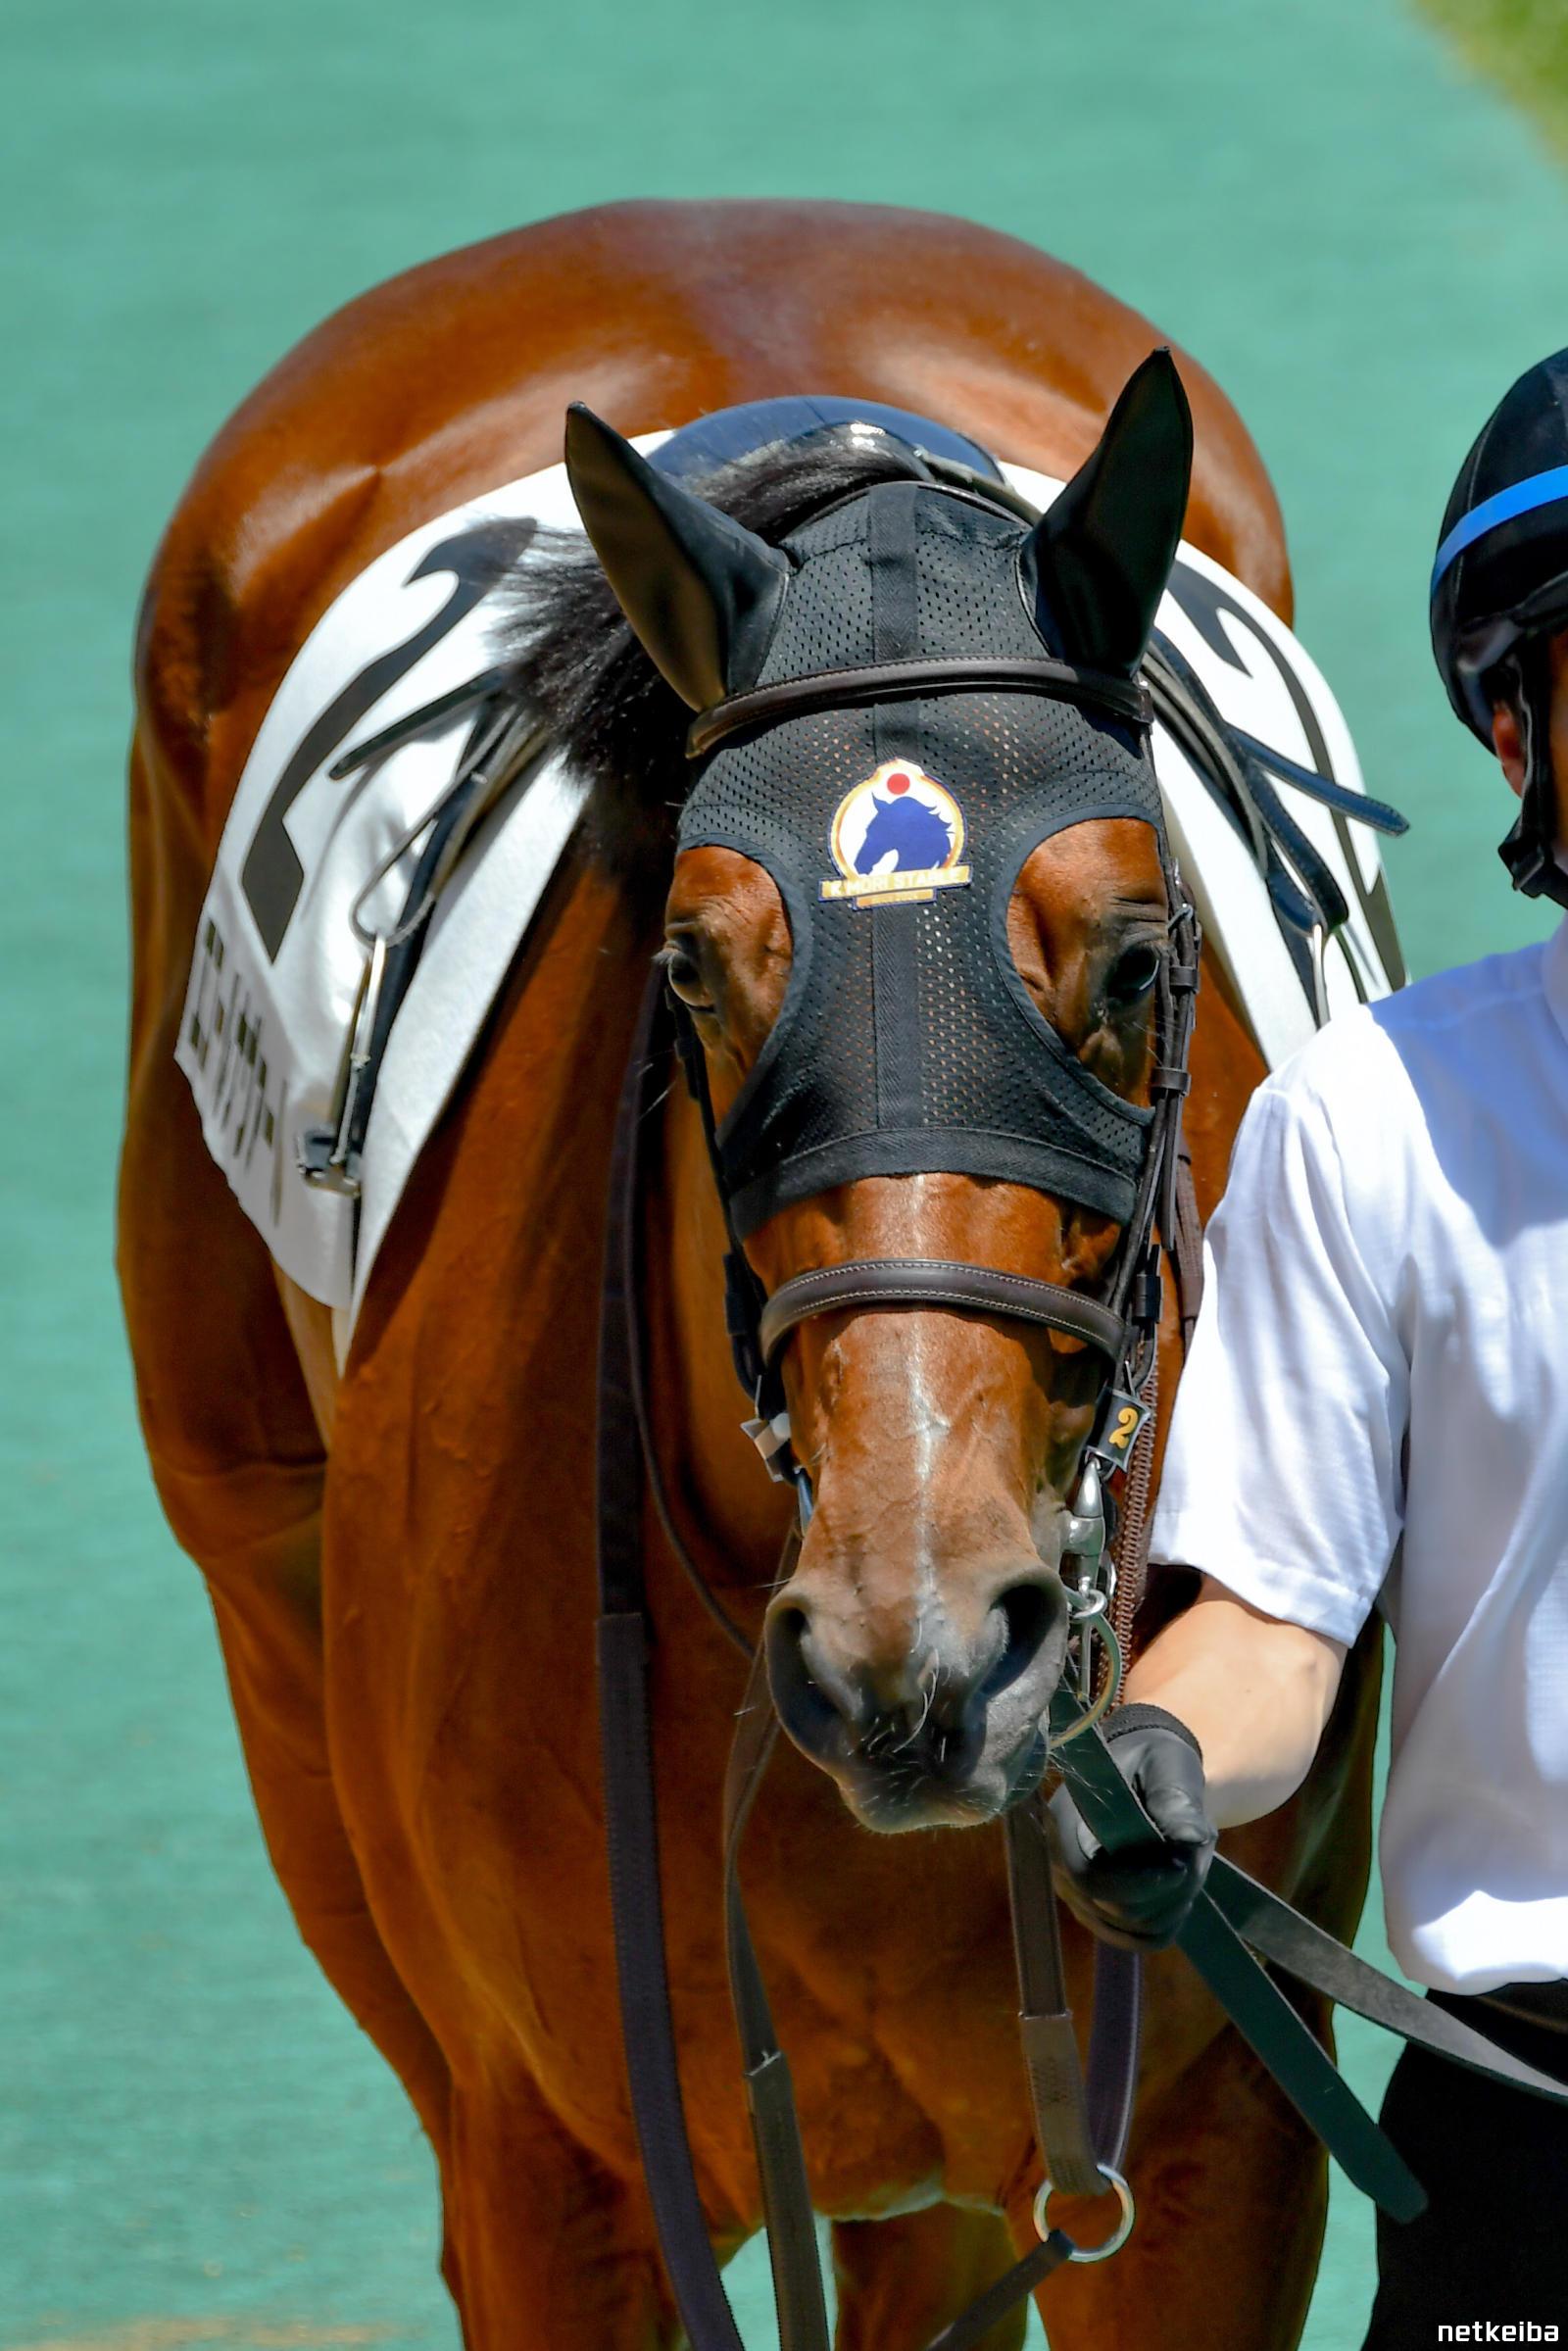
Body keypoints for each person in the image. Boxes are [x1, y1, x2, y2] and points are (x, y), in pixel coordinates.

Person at [1051, 350, 1568, 2345]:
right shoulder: (1373, 1119)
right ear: (1518, 728)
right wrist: (1155, 1753)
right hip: (1536, 2134)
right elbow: (1269, 1622)